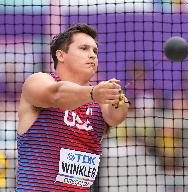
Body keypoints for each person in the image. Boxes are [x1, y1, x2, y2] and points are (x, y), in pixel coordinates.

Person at [16, 23, 129, 191]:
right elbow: (56, 94)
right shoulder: (38, 80)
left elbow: (116, 115)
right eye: (84, 48)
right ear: (61, 55)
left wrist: (117, 96)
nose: (92, 55)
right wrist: (93, 92)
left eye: (95, 51)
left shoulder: (99, 102)